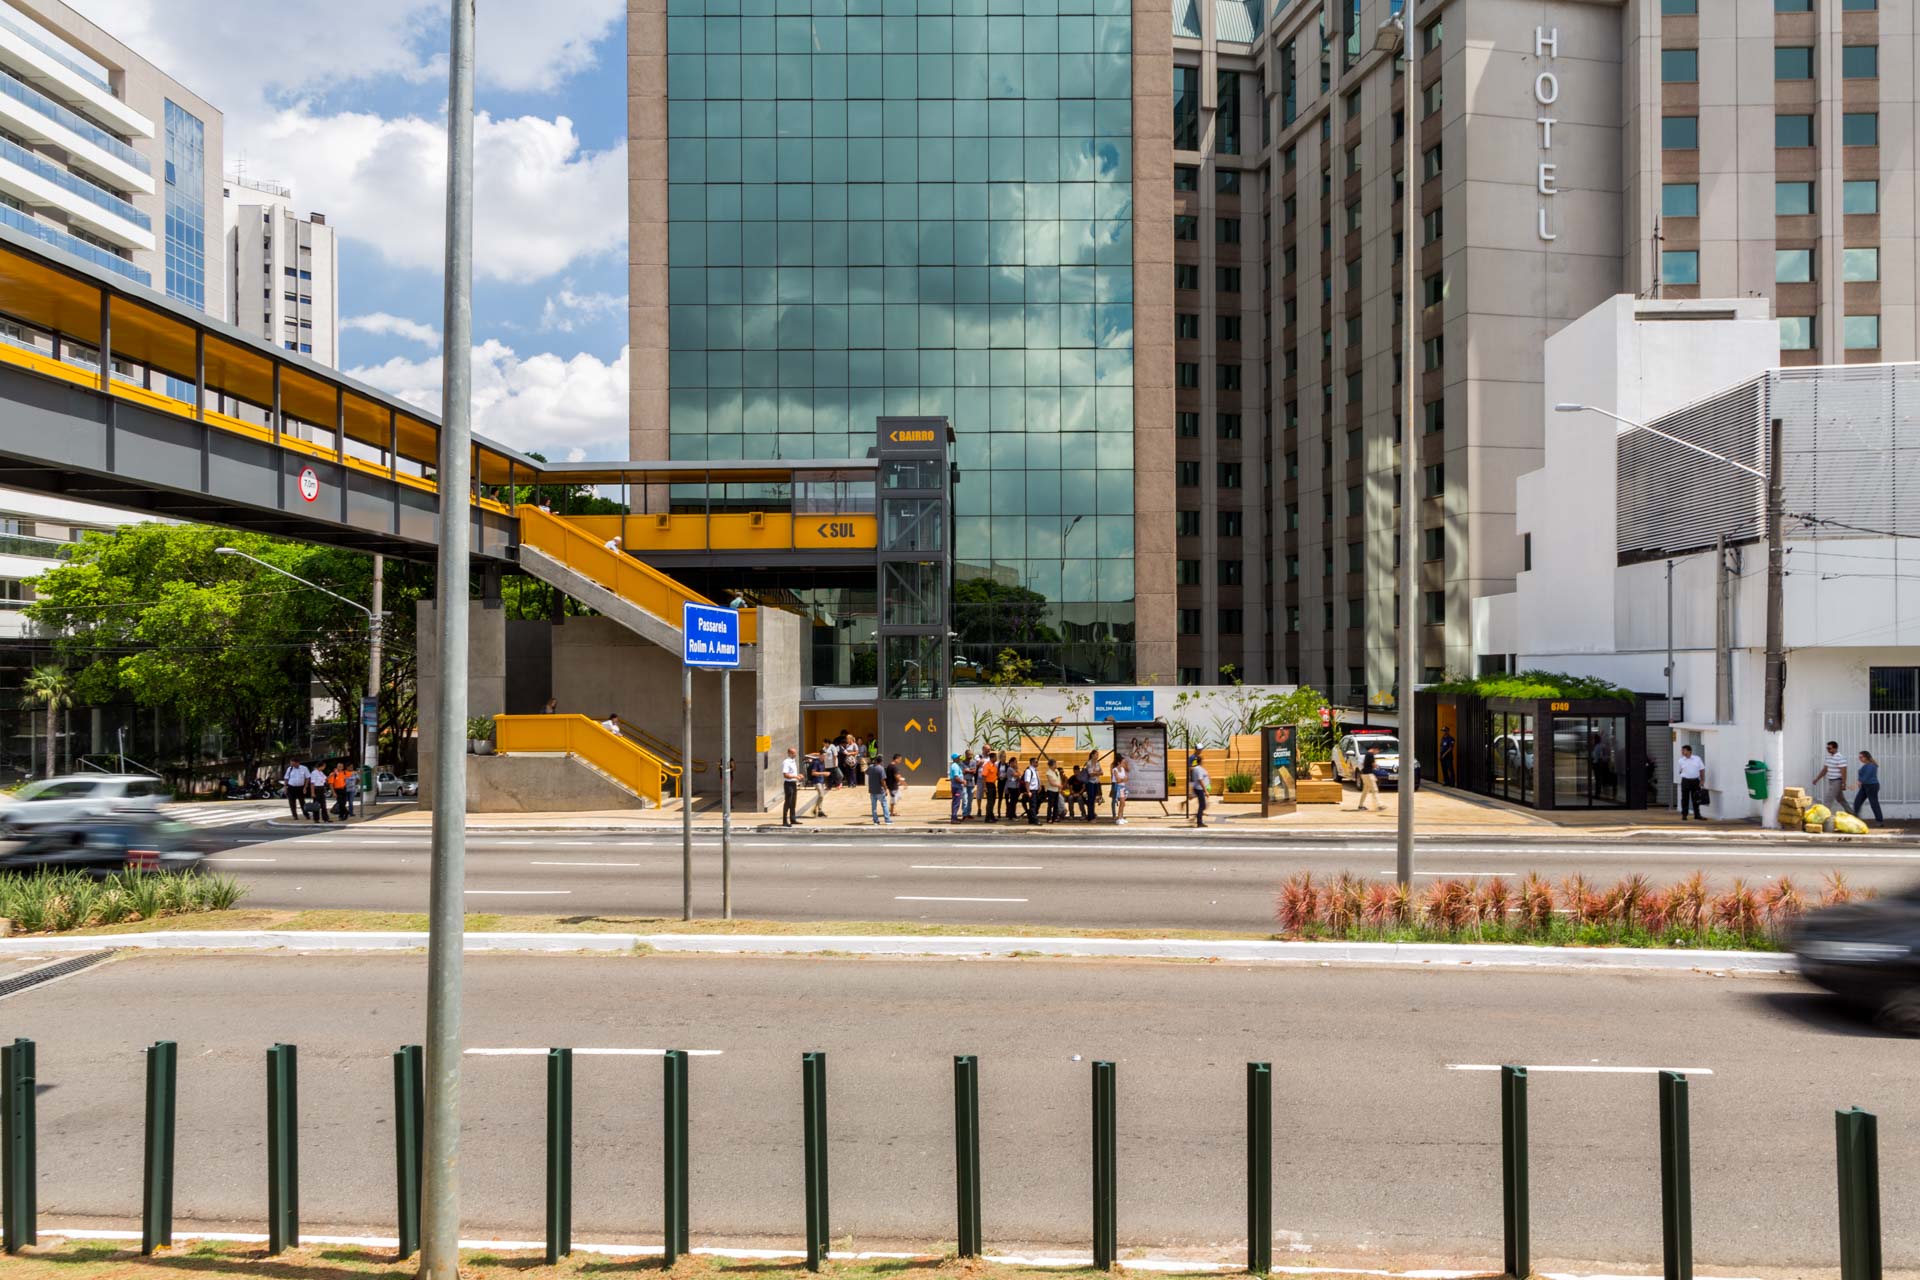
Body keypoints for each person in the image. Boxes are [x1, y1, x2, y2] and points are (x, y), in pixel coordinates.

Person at [1812, 741, 1848, 812]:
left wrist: (1844, 784)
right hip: (1831, 781)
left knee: (1828, 799)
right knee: (1841, 799)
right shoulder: (1828, 757)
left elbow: (1843, 772)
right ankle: (1852, 813)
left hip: (1837, 781)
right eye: (1827, 748)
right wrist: (1817, 779)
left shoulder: (1840, 758)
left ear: (1835, 748)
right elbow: (1825, 770)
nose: (1828, 750)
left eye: (1829, 748)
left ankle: (1823, 816)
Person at [1675, 744, 1706, 820]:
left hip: (1695, 781)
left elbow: (1701, 769)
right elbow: (1680, 770)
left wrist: (1702, 780)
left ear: (1690, 751)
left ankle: (1697, 815)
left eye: (1684, 750)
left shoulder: (1697, 759)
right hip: (1685, 781)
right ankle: (1684, 815)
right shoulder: (1681, 760)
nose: (1682, 752)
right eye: (1682, 750)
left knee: (1696, 798)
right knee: (1685, 798)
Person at [1853, 750, 1884, 826]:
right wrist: (1860, 782)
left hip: (1871, 786)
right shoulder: (1866, 765)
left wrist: (1858, 782)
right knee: (1857, 802)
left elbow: (1866, 776)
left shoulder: (1871, 766)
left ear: (1866, 757)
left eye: (1861, 757)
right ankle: (1855, 819)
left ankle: (1879, 821)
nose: (1860, 759)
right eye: (1859, 757)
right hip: (1865, 786)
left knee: (1874, 803)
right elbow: (1862, 775)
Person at [868, 752, 892, 825]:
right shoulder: (881, 769)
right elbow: (883, 781)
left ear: (875, 760)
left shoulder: (870, 767)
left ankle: (876, 821)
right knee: (884, 804)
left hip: (872, 790)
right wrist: (886, 789)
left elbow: (866, 772)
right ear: (881, 761)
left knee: (874, 807)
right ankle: (887, 820)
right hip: (880, 791)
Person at [1188, 754, 1211, 827]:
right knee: (1202, 805)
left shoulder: (1196, 768)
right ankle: (1199, 822)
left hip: (1198, 788)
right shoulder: (1199, 769)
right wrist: (1205, 791)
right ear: (1200, 761)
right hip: (1199, 789)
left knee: (1202, 805)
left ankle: (1198, 820)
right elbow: (1200, 780)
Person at [806, 749, 830, 818]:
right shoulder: (816, 762)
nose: (825, 757)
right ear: (820, 755)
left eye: (825, 756)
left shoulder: (822, 762)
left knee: (821, 796)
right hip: (816, 781)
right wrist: (824, 773)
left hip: (821, 781)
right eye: (823, 755)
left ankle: (820, 811)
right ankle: (815, 809)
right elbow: (813, 773)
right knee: (821, 795)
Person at [780, 747, 800, 826]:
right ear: (789, 753)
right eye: (793, 753)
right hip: (788, 784)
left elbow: (792, 773)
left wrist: (798, 776)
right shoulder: (786, 762)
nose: (795, 754)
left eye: (795, 752)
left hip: (793, 783)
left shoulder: (793, 761)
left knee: (793, 802)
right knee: (788, 802)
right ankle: (784, 821)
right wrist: (795, 777)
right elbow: (785, 775)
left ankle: (793, 819)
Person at [980, 751, 1000, 823]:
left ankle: (991, 815)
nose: (996, 759)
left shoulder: (994, 766)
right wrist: (985, 787)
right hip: (988, 784)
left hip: (993, 784)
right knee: (990, 801)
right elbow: (984, 776)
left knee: (993, 801)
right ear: (992, 758)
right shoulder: (987, 765)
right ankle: (988, 817)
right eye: (995, 757)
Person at [1022, 757, 1041, 825]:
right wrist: (1028, 791)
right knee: (1033, 805)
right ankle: (1035, 819)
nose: (1037, 763)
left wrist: (1039, 786)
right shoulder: (1029, 771)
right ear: (1032, 763)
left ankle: (1031, 819)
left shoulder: (1035, 771)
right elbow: (1027, 782)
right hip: (1031, 790)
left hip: (1036, 790)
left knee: (1035, 805)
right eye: (1036, 762)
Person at [1084, 750, 1103, 821]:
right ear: (1092, 755)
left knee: (1093, 799)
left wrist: (1095, 772)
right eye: (1096, 754)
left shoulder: (1098, 763)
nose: (1097, 756)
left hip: (1096, 782)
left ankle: (1092, 815)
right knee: (1090, 799)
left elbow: (1102, 772)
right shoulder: (1089, 763)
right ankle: (1090, 816)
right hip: (1090, 783)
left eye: (1098, 755)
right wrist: (1097, 773)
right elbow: (1090, 774)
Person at [948, 754, 966, 822]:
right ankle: (953, 818)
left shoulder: (956, 765)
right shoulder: (955, 766)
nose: (959, 758)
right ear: (955, 759)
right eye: (958, 757)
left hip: (957, 787)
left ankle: (954, 817)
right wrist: (963, 782)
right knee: (956, 803)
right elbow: (956, 777)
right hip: (957, 788)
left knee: (956, 802)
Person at [1112, 756, 1129, 824]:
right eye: (1123, 762)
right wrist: (1123, 779)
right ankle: (1118, 818)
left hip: (1123, 787)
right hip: (1118, 787)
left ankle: (1121, 817)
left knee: (1123, 803)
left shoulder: (1123, 769)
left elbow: (1126, 779)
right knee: (1122, 802)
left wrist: (1122, 779)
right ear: (1119, 763)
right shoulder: (1115, 770)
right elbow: (1118, 780)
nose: (1124, 764)